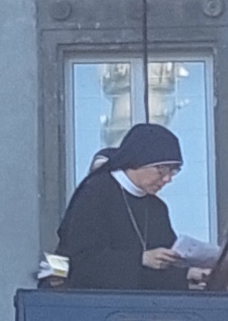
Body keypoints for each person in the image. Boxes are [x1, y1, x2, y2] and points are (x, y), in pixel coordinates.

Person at [54, 123, 207, 290]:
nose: (167, 179)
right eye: (162, 170)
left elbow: (159, 269)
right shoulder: (96, 193)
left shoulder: (157, 208)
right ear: (137, 161)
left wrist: (187, 275)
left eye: (173, 171)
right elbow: (82, 262)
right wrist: (141, 259)